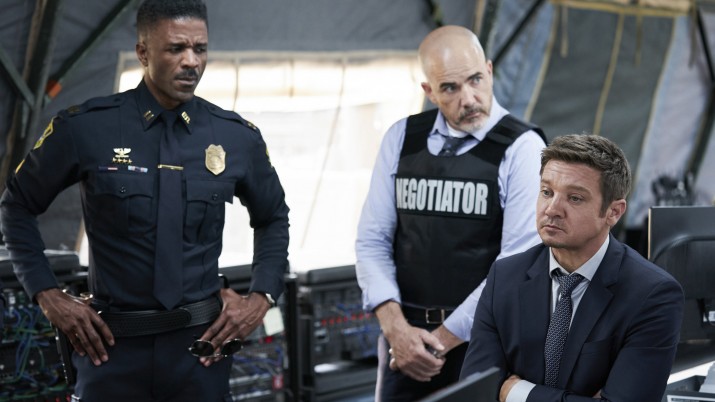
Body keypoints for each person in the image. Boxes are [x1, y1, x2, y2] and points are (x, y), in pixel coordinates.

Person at [0, 1, 289, 401]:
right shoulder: (86, 128)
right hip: (110, 350)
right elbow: (16, 205)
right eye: (176, 48)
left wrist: (261, 297)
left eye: (200, 49)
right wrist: (47, 295)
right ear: (142, 52)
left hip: (201, 352)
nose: (191, 62)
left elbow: (273, 217)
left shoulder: (236, 137)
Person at [355, 25, 547, 401]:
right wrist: (396, 330)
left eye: (475, 80)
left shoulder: (522, 148)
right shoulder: (401, 138)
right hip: (404, 340)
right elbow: (372, 240)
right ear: (429, 91)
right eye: (450, 88)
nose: (469, 98)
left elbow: (516, 264)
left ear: (489, 71)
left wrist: (439, 342)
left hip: (485, 342)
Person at [459, 134, 684, 401]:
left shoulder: (652, 294)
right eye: (547, 192)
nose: (552, 209)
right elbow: (475, 394)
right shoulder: (504, 276)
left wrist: (515, 391)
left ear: (613, 212)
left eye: (575, 198)